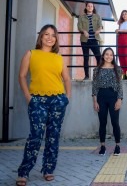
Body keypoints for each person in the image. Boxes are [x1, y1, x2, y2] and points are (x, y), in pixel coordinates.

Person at [16, 24, 71, 186]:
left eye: (53, 35)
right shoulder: (31, 54)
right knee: (35, 136)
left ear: (56, 39)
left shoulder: (59, 57)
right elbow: (21, 76)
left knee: (53, 136)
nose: (49, 38)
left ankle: (48, 169)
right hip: (37, 100)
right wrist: (28, 97)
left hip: (58, 100)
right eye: (46, 34)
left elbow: (67, 79)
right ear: (41, 36)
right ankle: (24, 172)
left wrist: (66, 98)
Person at [92, 47, 123, 156]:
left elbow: (120, 86)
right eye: (106, 54)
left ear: (113, 57)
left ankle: (118, 146)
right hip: (101, 97)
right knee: (102, 123)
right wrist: (95, 101)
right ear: (103, 56)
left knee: (115, 122)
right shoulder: (97, 70)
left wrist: (119, 99)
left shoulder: (117, 69)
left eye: (111, 55)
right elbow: (94, 86)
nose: (109, 56)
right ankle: (103, 146)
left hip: (113, 97)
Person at [78, 2, 103, 80]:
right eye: (88, 6)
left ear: (93, 7)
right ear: (86, 7)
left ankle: (98, 76)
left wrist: (99, 30)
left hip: (94, 40)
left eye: (91, 6)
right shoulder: (81, 17)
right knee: (86, 58)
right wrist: (84, 31)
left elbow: (100, 26)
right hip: (84, 40)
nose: (90, 7)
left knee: (98, 57)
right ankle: (86, 76)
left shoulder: (97, 16)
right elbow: (79, 27)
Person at [115, 10, 127, 80]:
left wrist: (120, 30)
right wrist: (117, 30)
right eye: (123, 14)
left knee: (126, 57)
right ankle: (124, 76)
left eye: (125, 14)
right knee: (121, 58)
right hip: (120, 40)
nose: (124, 15)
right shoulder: (121, 23)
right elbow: (118, 32)